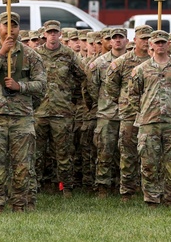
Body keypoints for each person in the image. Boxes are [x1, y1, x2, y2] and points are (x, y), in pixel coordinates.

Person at [0, 11, 47, 212]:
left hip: (21, 116)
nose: (11, 29)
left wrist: (21, 87)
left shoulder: (31, 55)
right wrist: (1, 53)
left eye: (15, 26)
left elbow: (42, 84)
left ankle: (19, 204)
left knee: (22, 165)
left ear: (19, 29)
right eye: (6, 25)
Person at [129, 30, 171, 207]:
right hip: (149, 123)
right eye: (156, 42)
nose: (160, 45)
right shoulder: (141, 70)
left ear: (169, 44)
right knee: (149, 163)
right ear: (151, 44)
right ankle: (151, 199)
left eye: (163, 42)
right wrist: (145, 110)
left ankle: (170, 199)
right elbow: (133, 95)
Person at [33, 20, 89, 198]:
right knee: (37, 152)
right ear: (44, 34)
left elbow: (82, 76)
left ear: (60, 34)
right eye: (49, 33)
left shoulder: (69, 54)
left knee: (64, 152)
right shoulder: (35, 55)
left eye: (55, 32)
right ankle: (36, 186)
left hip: (62, 112)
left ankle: (66, 187)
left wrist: (72, 97)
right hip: (39, 111)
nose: (52, 36)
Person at [105, 25, 153, 201]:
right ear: (135, 40)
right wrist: (122, 101)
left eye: (149, 39)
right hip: (130, 114)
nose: (146, 42)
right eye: (143, 39)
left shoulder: (156, 61)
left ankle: (148, 189)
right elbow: (110, 85)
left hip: (150, 114)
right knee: (127, 153)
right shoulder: (122, 62)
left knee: (150, 153)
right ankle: (127, 191)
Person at [88, 27, 128, 198]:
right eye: (114, 38)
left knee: (128, 154)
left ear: (127, 40)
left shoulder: (134, 61)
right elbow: (92, 88)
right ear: (109, 41)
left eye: (121, 37)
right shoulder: (99, 63)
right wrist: (104, 103)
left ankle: (125, 187)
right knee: (104, 152)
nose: (117, 40)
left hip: (129, 115)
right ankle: (103, 187)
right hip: (107, 115)